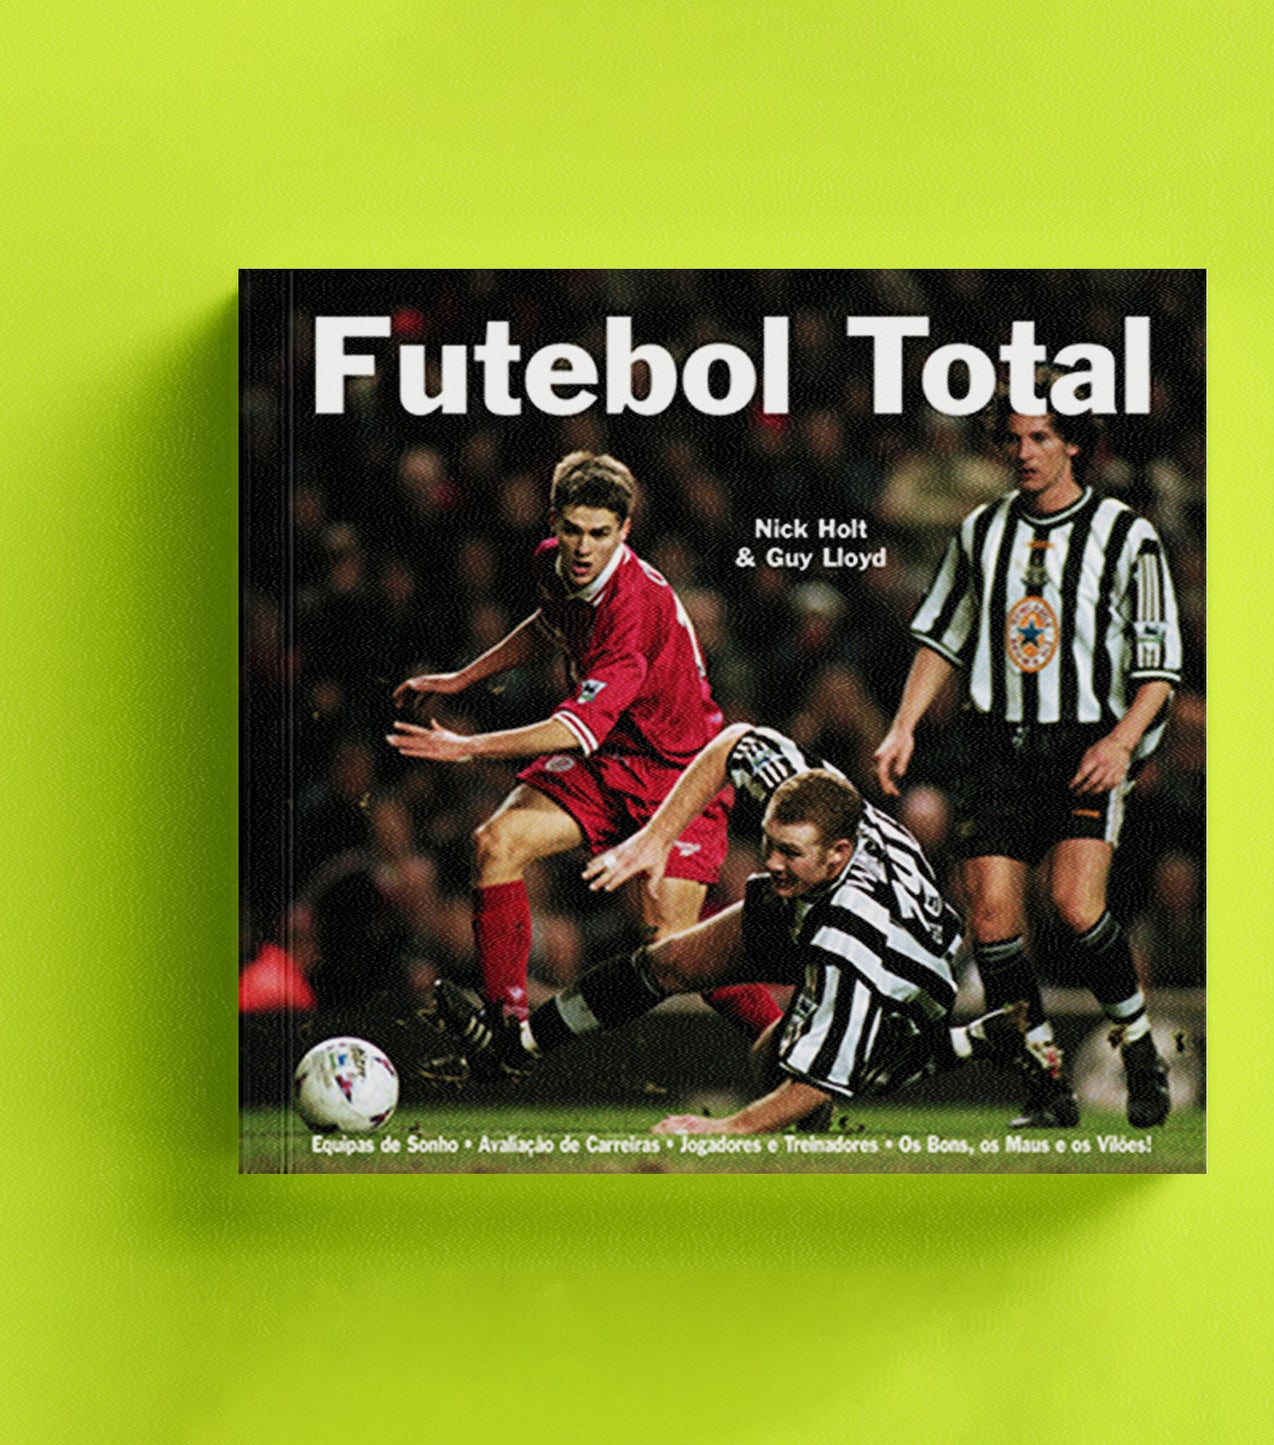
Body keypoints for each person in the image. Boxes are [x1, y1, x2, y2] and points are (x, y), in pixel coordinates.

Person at [435, 723, 1063, 1135]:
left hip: (913, 970)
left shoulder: (852, 935)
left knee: (790, 1067)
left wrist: (725, 1129)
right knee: (669, 963)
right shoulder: (805, 806)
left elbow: (811, 1083)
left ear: (838, 855)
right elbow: (734, 742)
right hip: (820, 905)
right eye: (769, 844)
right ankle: (512, 1048)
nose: (771, 863)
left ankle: (972, 1041)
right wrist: (656, 838)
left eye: (790, 852)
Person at [386, 451, 779, 1050]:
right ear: (554, 522)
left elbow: (573, 728)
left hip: (677, 773)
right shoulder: (553, 564)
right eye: (572, 530)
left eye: (600, 533)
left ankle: (783, 1040)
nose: (583, 548)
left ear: (625, 530)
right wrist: (463, 678)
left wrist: (468, 748)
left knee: (674, 949)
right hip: (607, 760)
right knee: (496, 844)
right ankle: (505, 1029)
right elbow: (552, 625)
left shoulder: (631, 610)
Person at [874, 381, 1183, 1128]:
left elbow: (1160, 669)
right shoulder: (981, 531)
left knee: (1076, 905)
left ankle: (1140, 1047)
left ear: (1073, 442)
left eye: (1040, 436)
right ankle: (1046, 1084)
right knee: (990, 919)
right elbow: (940, 637)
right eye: (1012, 439)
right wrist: (903, 724)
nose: (1024, 452)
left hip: (1083, 743)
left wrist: (1119, 742)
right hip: (995, 745)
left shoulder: (1126, 535)